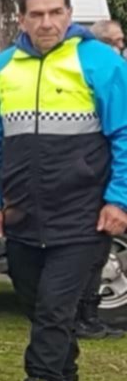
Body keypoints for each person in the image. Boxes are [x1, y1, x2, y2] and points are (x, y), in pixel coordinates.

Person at [0, 0, 127, 381]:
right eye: (36, 14)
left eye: (55, 12)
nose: (47, 22)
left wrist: (118, 198)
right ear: (20, 19)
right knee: (45, 317)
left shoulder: (100, 62)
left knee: (55, 315)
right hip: (22, 220)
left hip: (83, 219)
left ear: (68, 13)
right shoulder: (1, 69)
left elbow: (124, 133)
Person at [76, 20, 127, 340]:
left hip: (109, 177)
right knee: (88, 252)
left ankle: (89, 315)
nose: (121, 48)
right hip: (94, 177)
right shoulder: (99, 75)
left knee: (98, 252)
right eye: (117, 42)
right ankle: (81, 316)